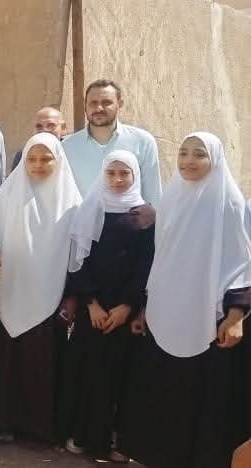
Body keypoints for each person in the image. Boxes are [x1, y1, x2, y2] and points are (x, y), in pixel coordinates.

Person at [120, 132, 251, 468]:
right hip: (166, 313)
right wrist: (146, 307)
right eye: (183, 153)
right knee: (161, 389)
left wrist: (235, 315)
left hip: (206, 318)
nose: (189, 161)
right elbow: (161, 258)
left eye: (199, 154)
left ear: (215, 160)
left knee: (200, 396)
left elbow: (241, 263)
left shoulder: (228, 203)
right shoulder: (172, 198)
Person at [0, 133, 82, 445]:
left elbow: (78, 258)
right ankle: (1, 421)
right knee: (5, 359)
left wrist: (71, 297)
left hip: (49, 296)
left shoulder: (73, 204)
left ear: (58, 161)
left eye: (46, 158)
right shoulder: (6, 197)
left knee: (42, 361)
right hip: (9, 292)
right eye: (32, 158)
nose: (38, 164)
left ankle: (39, 427)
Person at [56, 150, 153, 463]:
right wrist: (91, 303)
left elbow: (146, 266)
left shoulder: (146, 216)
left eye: (124, 173)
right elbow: (78, 260)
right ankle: (81, 435)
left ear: (135, 175)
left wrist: (128, 307)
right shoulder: (91, 208)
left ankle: (110, 440)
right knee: (87, 373)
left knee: (118, 377)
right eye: (111, 173)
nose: (118, 179)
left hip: (124, 314)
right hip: (93, 311)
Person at [63, 80, 162, 203]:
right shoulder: (68, 146)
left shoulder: (143, 142)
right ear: (85, 105)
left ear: (120, 104)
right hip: (81, 216)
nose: (99, 108)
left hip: (130, 215)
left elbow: (153, 196)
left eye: (106, 103)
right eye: (93, 103)